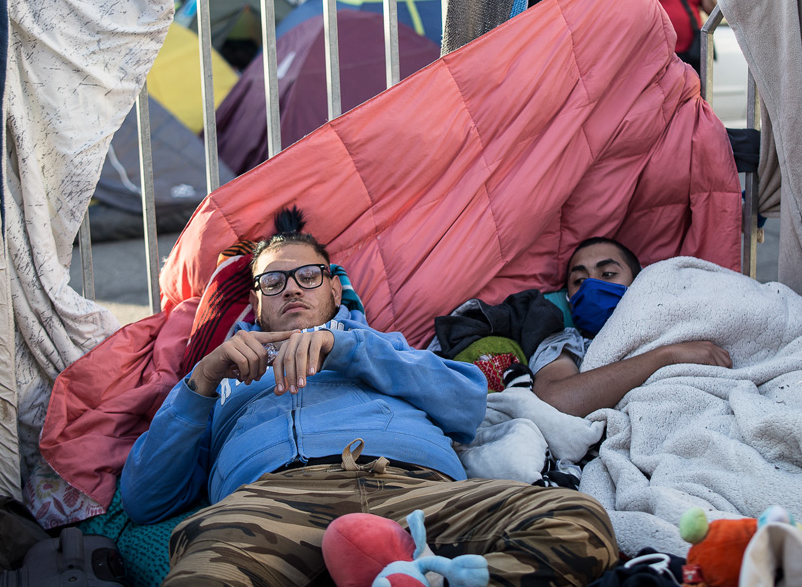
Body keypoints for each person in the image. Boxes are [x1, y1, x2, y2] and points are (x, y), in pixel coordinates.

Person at [121, 210, 619, 587]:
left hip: (412, 491)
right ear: (256, 302)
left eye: (308, 276)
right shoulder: (225, 380)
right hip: (274, 502)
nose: (291, 289)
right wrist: (201, 382)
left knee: (579, 523)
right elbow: (146, 500)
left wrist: (348, 349)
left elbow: (468, 401)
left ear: (336, 291)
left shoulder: (389, 348)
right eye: (272, 281)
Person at [531, 238, 731, 417]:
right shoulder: (562, 342)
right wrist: (668, 355)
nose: (591, 285)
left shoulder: (675, 318)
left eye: (608, 274)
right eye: (579, 281)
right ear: (568, 299)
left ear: (638, 283)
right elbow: (556, 401)